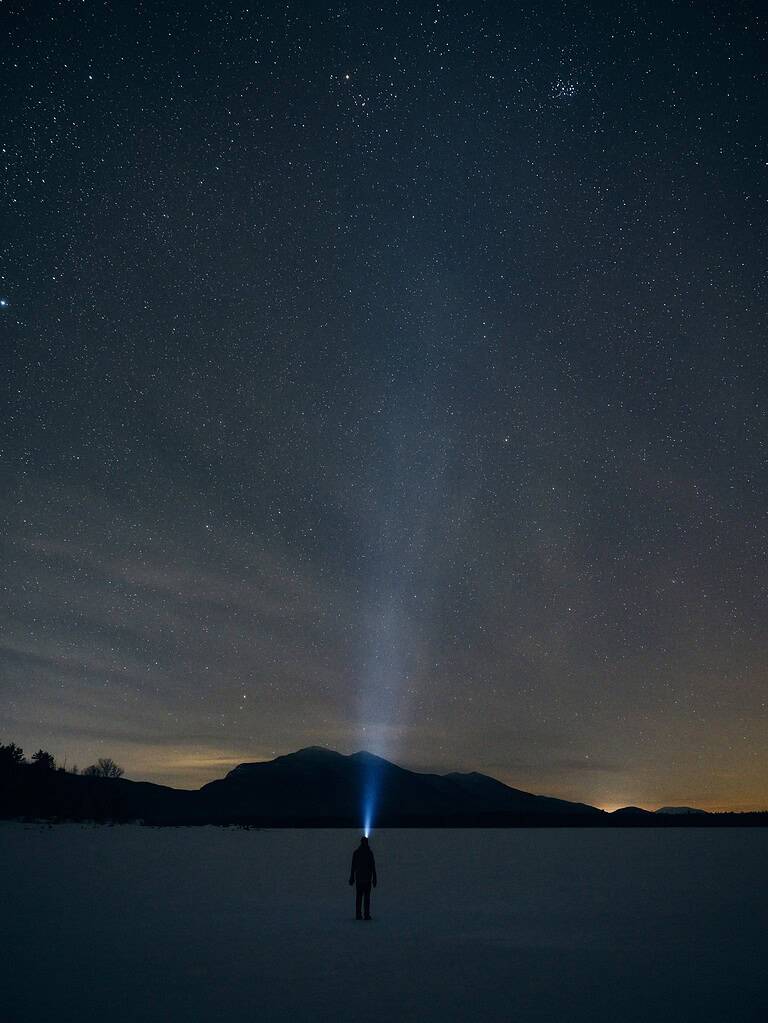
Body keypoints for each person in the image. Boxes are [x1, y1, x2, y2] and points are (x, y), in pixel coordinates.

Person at [348, 836, 377, 920]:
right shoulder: (369, 853)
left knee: (359, 897)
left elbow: (353, 867)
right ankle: (365, 914)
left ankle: (359, 914)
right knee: (365, 898)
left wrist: (352, 877)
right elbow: (373, 867)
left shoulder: (357, 853)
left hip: (360, 879)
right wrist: (374, 878)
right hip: (366, 879)